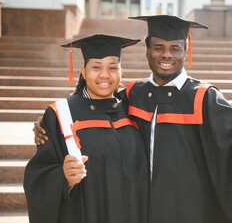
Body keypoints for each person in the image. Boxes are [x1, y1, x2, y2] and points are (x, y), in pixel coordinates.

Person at [34, 15, 232, 223]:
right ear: (147, 52)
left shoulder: (202, 97)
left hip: (188, 212)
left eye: (175, 48)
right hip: (139, 212)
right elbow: (96, 104)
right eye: (158, 48)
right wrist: (49, 121)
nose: (166, 55)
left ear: (185, 50)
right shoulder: (134, 93)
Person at [24, 34, 149, 223]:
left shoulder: (132, 109)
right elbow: (38, 177)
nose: (105, 75)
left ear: (121, 71)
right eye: (96, 67)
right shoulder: (61, 115)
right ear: (83, 71)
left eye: (112, 67)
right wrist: (64, 178)